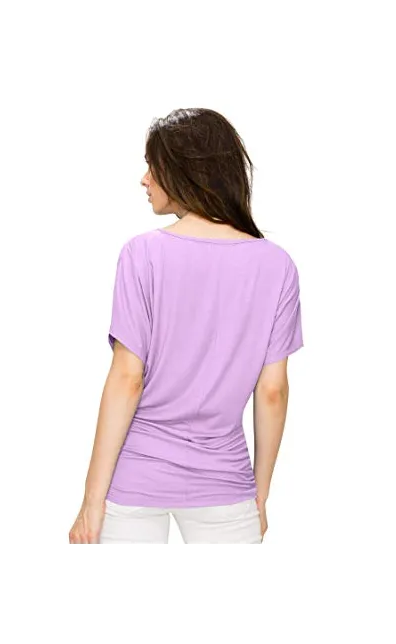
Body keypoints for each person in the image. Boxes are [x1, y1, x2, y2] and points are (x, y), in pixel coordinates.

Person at [68, 108, 304, 545]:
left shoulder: (142, 255)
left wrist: (91, 500)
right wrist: (259, 495)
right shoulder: (277, 266)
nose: (144, 179)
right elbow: (272, 391)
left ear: (185, 170)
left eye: (152, 166)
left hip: (137, 476)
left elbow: (127, 378)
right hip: (225, 480)